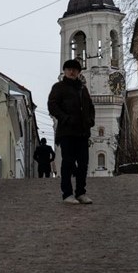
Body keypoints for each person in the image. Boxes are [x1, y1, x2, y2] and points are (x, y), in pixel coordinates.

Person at [47, 59, 95, 204]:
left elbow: (90, 107)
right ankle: (67, 194)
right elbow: (52, 105)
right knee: (68, 163)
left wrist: (90, 121)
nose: (72, 71)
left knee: (83, 163)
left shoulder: (82, 89)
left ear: (78, 72)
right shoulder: (59, 87)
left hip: (82, 132)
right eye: (69, 69)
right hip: (67, 132)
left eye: (74, 69)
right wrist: (65, 118)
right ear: (65, 71)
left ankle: (81, 192)